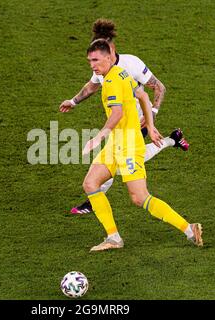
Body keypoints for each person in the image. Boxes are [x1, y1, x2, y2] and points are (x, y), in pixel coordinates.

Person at [67, 39, 203, 251]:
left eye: (96, 60)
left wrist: (98, 137)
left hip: (128, 146)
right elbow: (142, 94)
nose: (92, 65)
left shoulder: (112, 81)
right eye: (89, 61)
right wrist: (150, 123)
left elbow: (117, 112)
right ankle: (113, 238)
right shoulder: (121, 73)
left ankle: (188, 228)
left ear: (109, 57)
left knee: (140, 198)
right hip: (116, 143)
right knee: (90, 184)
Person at [60, 19, 189, 215]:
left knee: (120, 163)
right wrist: (74, 101)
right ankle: (173, 139)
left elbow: (158, 87)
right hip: (121, 124)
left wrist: (151, 117)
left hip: (137, 121)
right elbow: (92, 85)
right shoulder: (103, 68)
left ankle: (94, 200)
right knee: (120, 161)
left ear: (111, 48)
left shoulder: (132, 63)